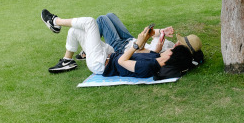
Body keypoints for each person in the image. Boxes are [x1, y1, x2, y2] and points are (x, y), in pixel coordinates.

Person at [41, 10, 199, 79]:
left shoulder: (149, 67)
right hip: (109, 53)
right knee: (75, 31)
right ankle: (67, 61)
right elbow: (151, 53)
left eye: (171, 49)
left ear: (170, 55)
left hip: (101, 63)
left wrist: (136, 45)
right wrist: (152, 40)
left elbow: (123, 62)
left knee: (90, 22)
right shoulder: (156, 58)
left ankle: (55, 21)